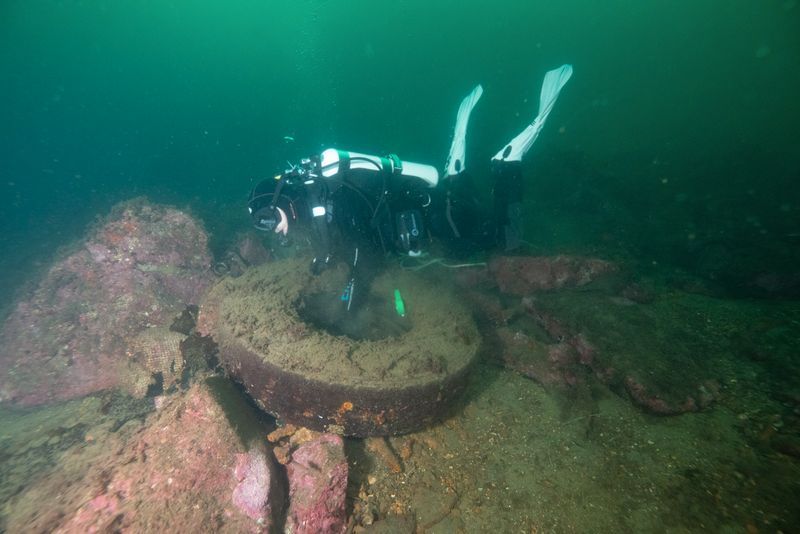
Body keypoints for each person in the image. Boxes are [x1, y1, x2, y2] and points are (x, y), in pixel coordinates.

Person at [441, 64, 573, 251]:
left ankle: (485, 168)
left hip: (484, 232)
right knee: (487, 170)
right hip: (485, 230)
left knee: (465, 176)